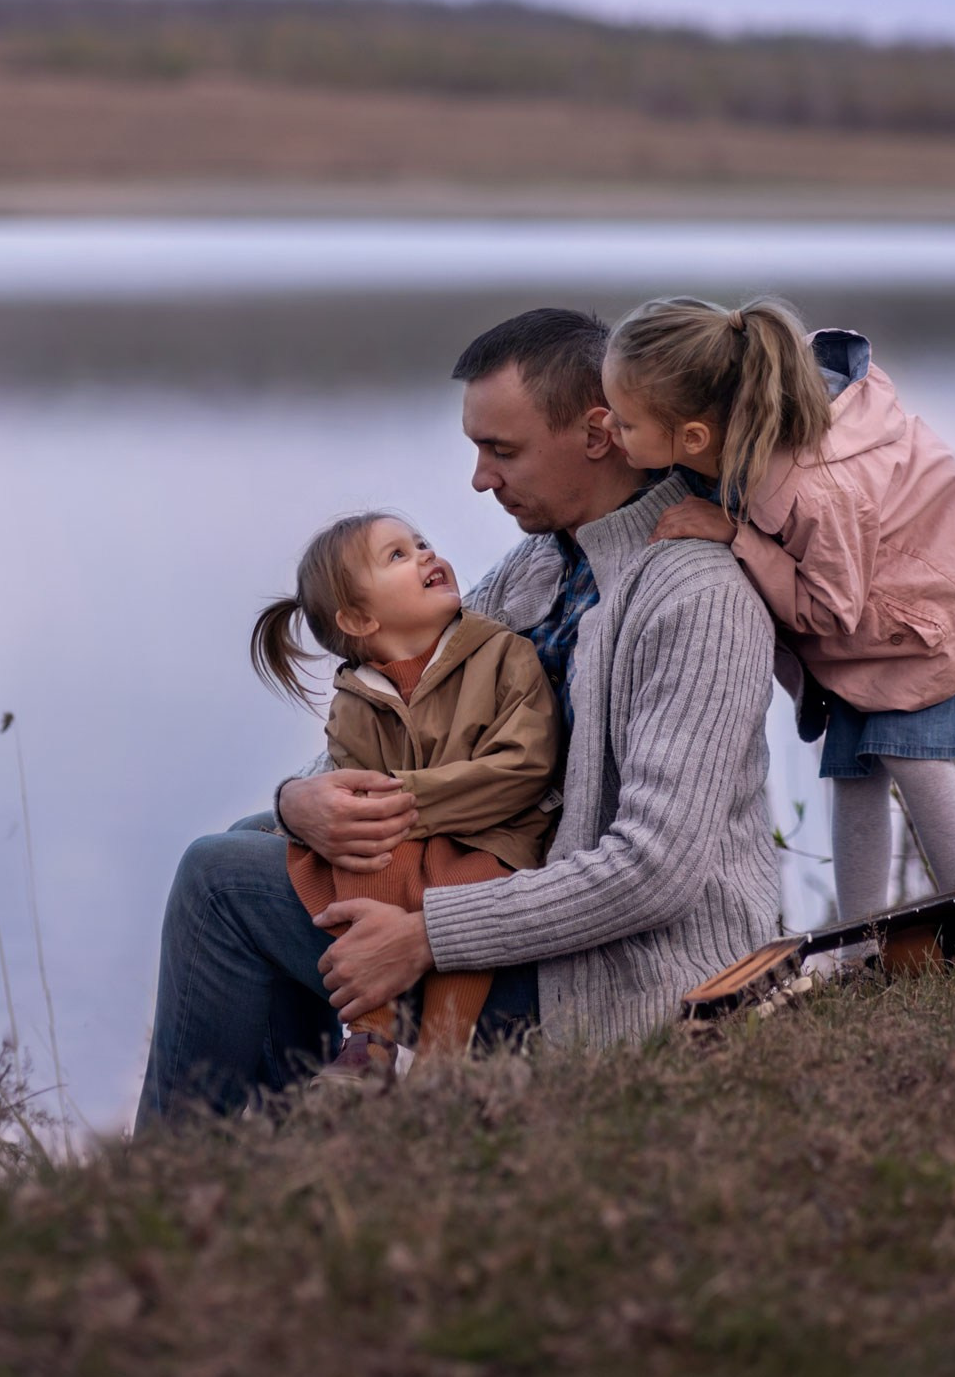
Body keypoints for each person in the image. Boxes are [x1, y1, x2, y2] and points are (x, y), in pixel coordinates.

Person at [136, 308, 781, 1125]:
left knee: (219, 883)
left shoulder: (695, 597)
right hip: (519, 910)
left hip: (626, 980)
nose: (479, 479)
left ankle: (184, 1175)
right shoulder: (542, 565)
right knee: (260, 832)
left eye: (501, 451)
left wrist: (426, 935)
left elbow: (653, 871)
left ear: (598, 434)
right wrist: (305, 799)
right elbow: (403, 714)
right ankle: (302, 1137)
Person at [600, 295, 955, 924]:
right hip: (884, 613)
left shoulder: (815, 489)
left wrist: (739, 539)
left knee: (910, 755)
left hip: (939, 611)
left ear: (694, 436)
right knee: (852, 769)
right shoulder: (746, 432)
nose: (611, 431)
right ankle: (860, 936)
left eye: (623, 423)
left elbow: (830, 608)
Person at [249, 511, 560, 1085]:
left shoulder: (503, 654)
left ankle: (442, 1056)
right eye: (397, 555)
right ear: (359, 618)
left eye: (421, 545)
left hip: (494, 836)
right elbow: (352, 791)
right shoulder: (354, 701)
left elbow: (526, 767)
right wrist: (355, 815)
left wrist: (398, 801)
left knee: (468, 887)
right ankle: (370, 1037)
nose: (424, 555)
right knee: (362, 856)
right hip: (403, 843)